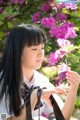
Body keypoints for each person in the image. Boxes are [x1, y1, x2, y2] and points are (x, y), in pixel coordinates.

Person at [0, 24, 80, 120]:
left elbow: (62, 117)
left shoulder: (41, 80)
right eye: (34, 49)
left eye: (42, 48)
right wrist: (35, 95)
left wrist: (73, 89)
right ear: (17, 51)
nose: (41, 54)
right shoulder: (3, 82)